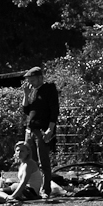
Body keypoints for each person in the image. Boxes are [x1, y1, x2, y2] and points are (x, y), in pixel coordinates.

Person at [22, 66, 60, 197]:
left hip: (42, 130)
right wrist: (26, 94)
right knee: (30, 161)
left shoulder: (49, 89)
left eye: (32, 80)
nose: (30, 83)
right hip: (30, 130)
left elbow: (54, 110)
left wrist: (50, 129)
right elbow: (26, 110)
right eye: (29, 80)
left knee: (43, 161)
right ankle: (32, 189)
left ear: (40, 78)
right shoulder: (32, 91)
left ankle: (45, 189)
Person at [0, 141, 45, 206]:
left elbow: (23, 182)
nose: (19, 153)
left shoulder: (29, 164)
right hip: (26, 190)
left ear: (28, 152)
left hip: (29, 192)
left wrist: (13, 196)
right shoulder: (23, 163)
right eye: (17, 150)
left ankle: (9, 199)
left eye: (22, 151)